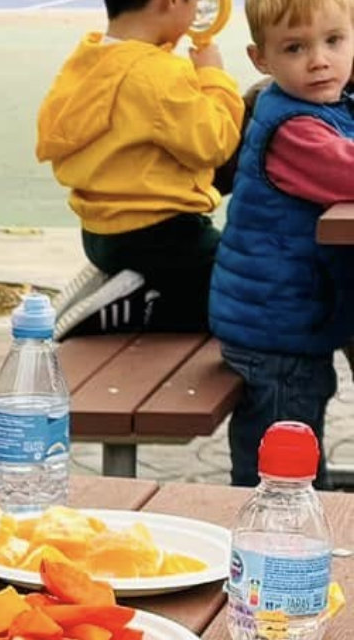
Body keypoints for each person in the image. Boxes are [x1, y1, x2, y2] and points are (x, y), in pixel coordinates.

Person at [207, 0, 354, 486]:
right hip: (277, 332)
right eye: (295, 48)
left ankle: (304, 510)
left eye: (334, 41)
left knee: (294, 447)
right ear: (261, 59)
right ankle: (274, 524)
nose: (319, 61)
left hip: (285, 321)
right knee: (280, 467)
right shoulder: (294, 129)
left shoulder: (317, 107)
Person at [36, 0, 243, 335]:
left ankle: (127, 283)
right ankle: (138, 307)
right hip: (163, 234)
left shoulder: (88, 59)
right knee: (242, 288)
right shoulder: (157, 74)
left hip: (101, 235)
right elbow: (215, 143)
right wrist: (213, 76)